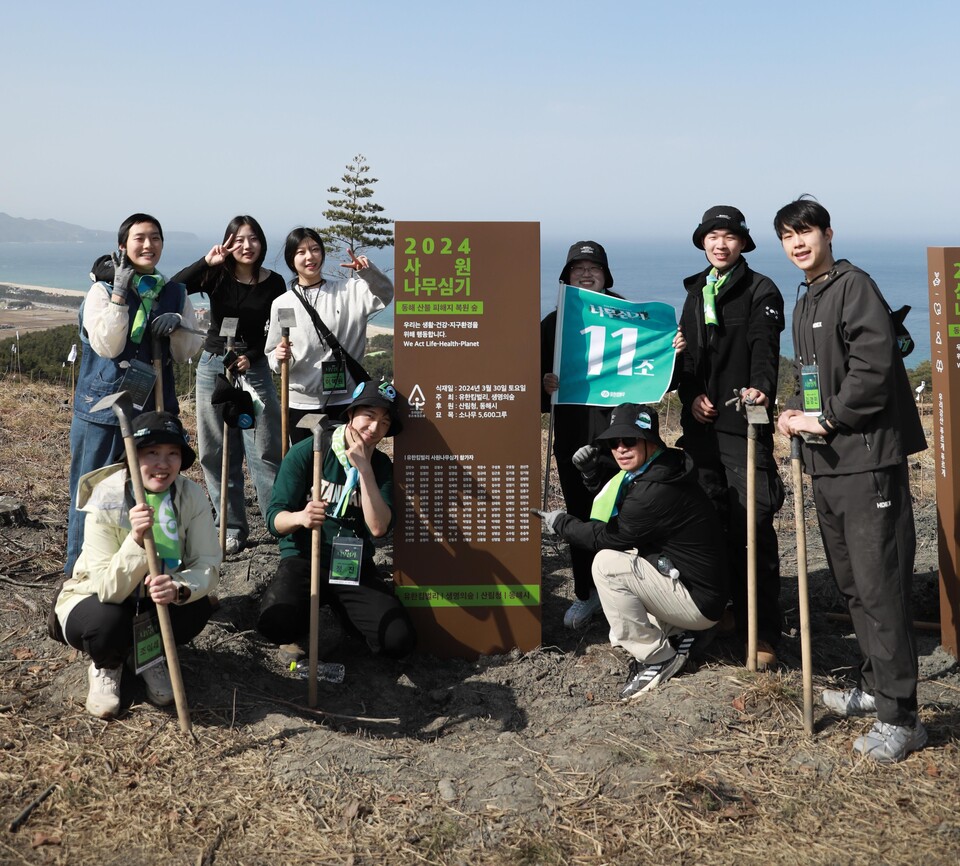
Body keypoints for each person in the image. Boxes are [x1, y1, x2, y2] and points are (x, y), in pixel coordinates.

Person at [774, 196, 927, 763]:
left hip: (867, 463)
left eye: (805, 231)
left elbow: (874, 368)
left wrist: (827, 418)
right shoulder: (807, 298)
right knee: (854, 585)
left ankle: (904, 719)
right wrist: (797, 410)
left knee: (881, 586)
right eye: (788, 236)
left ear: (828, 233)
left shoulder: (854, 285)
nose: (797, 242)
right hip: (829, 464)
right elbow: (819, 378)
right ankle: (874, 687)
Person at [536, 404, 727, 699]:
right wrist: (590, 475)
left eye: (630, 441)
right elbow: (618, 504)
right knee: (620, 620)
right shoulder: (660, 469)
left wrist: (562, 523)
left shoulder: (653, 490)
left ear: (651, 441)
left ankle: (657, 657)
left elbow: (608, 535)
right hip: (700, 588)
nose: (621, 449)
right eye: (613, 443)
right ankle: (679, 629)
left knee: (606, 565)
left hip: (699, 601)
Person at [541, 241, 685, 629]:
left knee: (631, 512)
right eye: (578, 269)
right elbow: (536, 391)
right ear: (567, 278)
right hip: (572, 436)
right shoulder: (555, 323)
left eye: (594, 269)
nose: (586, 274)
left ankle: (640, 593)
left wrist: (675, 351)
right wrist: (545, 383)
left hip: (624, 438)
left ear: (606, 276)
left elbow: (662, 379)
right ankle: (587, 593)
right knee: (581, 511)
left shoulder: (631, 319)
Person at [55, 412, 220, 719]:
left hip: (153, 600)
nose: (163, 463)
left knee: (196, 609)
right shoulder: (107, 496)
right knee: (106, 626)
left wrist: (179, 587)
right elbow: (107, 588)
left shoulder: (189, 495)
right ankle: (108, 663)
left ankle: (148, 654)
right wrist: (136, 540)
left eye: (173, 454)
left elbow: (208, 564)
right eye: (152, 453)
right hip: (99, 599)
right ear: (132, 457)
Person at [676, 206, 785, 668]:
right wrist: (692, 394)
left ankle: (762, 629)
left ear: (742, 243)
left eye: (729, 237)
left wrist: (762, 386)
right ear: (703, 242)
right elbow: (687, 359)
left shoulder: (762, 289)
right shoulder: (696, 290)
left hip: (744, 423)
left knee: (753, 526)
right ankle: (722, 611)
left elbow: (765, 347)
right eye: (712, 236)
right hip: (701, 427)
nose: (720, 244)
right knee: (710, 522)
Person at [66, 214, 202, 577]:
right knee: (94, 494)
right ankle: (79, 575)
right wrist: (119, 295)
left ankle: (147, 572)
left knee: (152, 492)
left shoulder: (173, 291)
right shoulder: (101, 290)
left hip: (156, 409)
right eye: (139, 238)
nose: (148, 245)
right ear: (122, 245)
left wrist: (177, 326)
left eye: (155, 238)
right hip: (105, 411)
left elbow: (186, 350)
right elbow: (108, 345)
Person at [257, 380, 416, 659]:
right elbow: (274, 519)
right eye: (369, 416)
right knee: (275, 624)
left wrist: (364, 469)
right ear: (352, 414)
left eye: (384, 421)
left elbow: (378, 528)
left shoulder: (380, 466)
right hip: (305, 556)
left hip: (351, 564)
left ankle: (339, 616)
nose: (375, 428)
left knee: (397, 640)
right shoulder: (310, 451)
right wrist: (301, 517)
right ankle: (315, 622)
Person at [172, 216, 285, 556]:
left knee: (264, 447)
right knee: (216, 449)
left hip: (255, 366)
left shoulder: (274, 283)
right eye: (238, 239)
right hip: (214, 364)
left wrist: (252, 355)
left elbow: (275, 330)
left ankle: (277, 523)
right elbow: (175, 288)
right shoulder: (216, 274)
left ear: (262, 244)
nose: (246, 245)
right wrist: (207, 262)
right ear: (227, 243)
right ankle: (231, 526)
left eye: (253, 239)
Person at [265, 228, 394, 445]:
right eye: (301, 252)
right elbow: (271, 354)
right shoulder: (283, 303)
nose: (310, 257)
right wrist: (278, 356)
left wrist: (367, 271)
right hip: (300, 402)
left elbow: (385, 294)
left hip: (347, 399)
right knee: (304, 468)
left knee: (343, 465)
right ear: (291, 259)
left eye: (315, 249)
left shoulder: (350, 290)